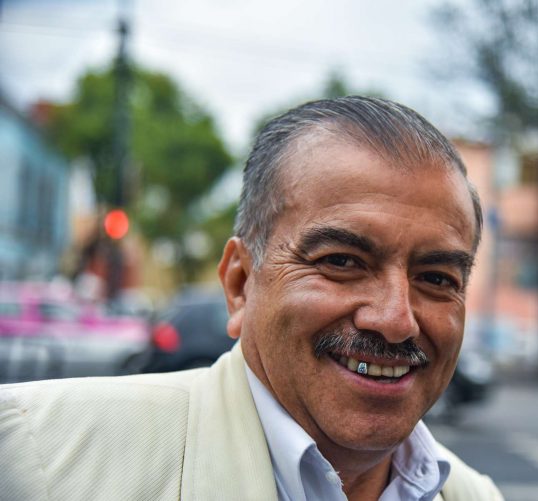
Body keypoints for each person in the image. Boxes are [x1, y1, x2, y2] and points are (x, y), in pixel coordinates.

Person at [0, 97, 503, 500]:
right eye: (342, 262)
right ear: (240, 284)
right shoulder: (37, 457)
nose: (396, 320)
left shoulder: (474, 495)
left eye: (436, 278)